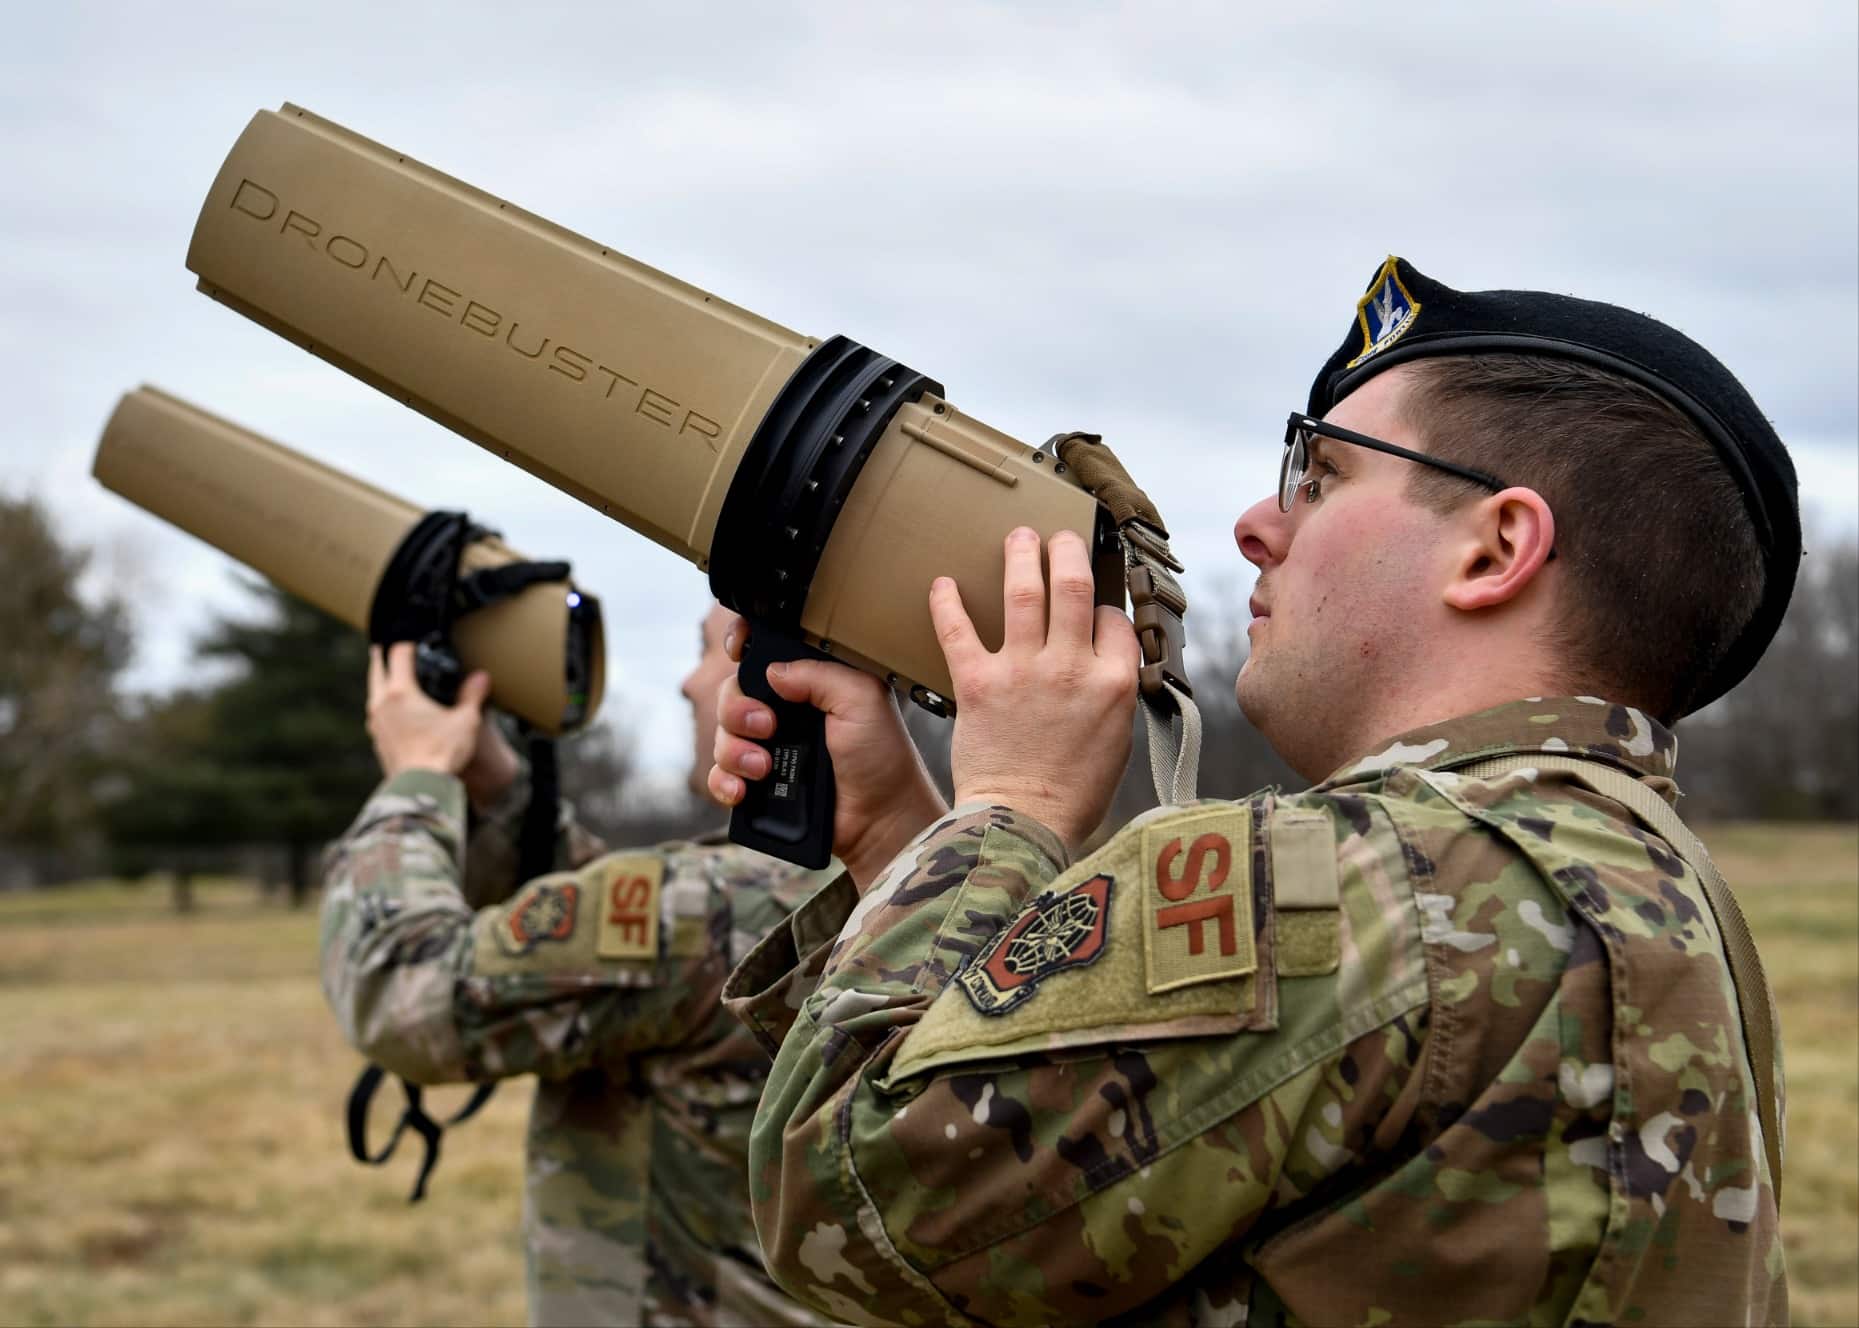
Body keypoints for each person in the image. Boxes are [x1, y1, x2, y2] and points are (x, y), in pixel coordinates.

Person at [709, 257, 1795, 1326]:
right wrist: (902, 843)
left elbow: (852, 1202)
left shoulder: (1369, 878)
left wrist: (1010, 802)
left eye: (1320, 477)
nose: (1253, 524)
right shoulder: (1648, 884)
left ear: (1494, 547)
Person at [320, 602, 839, 1327]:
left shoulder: (708, 908)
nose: (690, 685)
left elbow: (402, 991)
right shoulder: (919, 880)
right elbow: (642, 951)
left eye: (714, 647)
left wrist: (417, 780)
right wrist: (497, 787)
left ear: (791, 679)